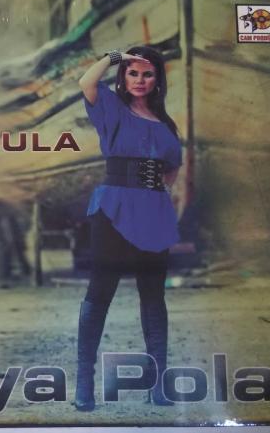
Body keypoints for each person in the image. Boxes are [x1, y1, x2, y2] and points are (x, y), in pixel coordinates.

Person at [74, 46, 182, 411]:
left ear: (157, 80)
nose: (140, 80)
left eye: (147, 74)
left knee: (153, 295)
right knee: (100, 291)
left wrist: (162, 193)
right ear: (123, 76)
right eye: (133, 73)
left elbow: (172, 168)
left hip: (154, 213)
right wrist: (115, 57)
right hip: (113, 209)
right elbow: (86, 81)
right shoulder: (111, 108)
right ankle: (84, 385)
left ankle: (158, 385)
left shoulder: (167, 125)